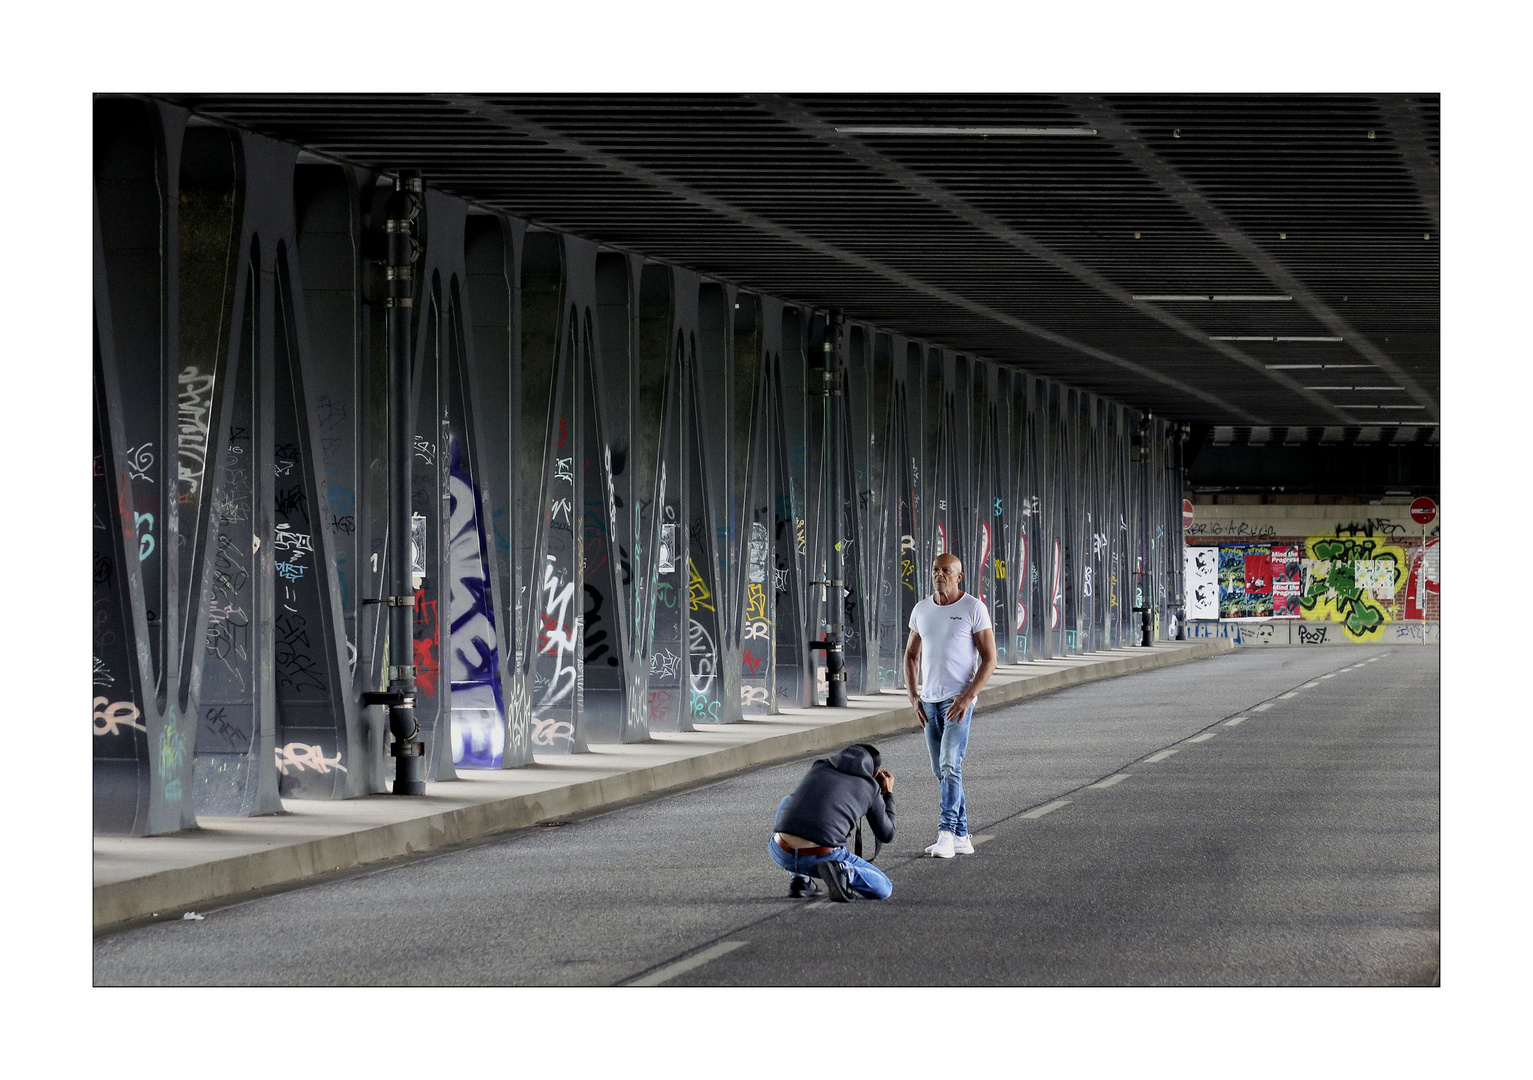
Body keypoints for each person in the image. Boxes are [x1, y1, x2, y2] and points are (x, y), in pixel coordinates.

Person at [903, 553, 998, 859]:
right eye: (935, 570)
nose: (939, 575)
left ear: (959, 576)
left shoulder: (973, 608)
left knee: (948, 764)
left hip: (958, 701)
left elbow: (990, 659)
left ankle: (945, 833)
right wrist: (913, 696)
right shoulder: (922, 609)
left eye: (946, 571)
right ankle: (961, 835)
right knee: (942, 769)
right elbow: (911, 656)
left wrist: (969, 696)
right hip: (929, 702)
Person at [769, 743, 896, 901]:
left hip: (780, 851)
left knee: (788, 800)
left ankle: (800, 880)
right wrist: (887, 794)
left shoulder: (819, 767)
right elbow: (887, 834)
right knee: (885, 887)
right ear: (875, 773)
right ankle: (844, 870)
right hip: (820, 857)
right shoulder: (869, 787)